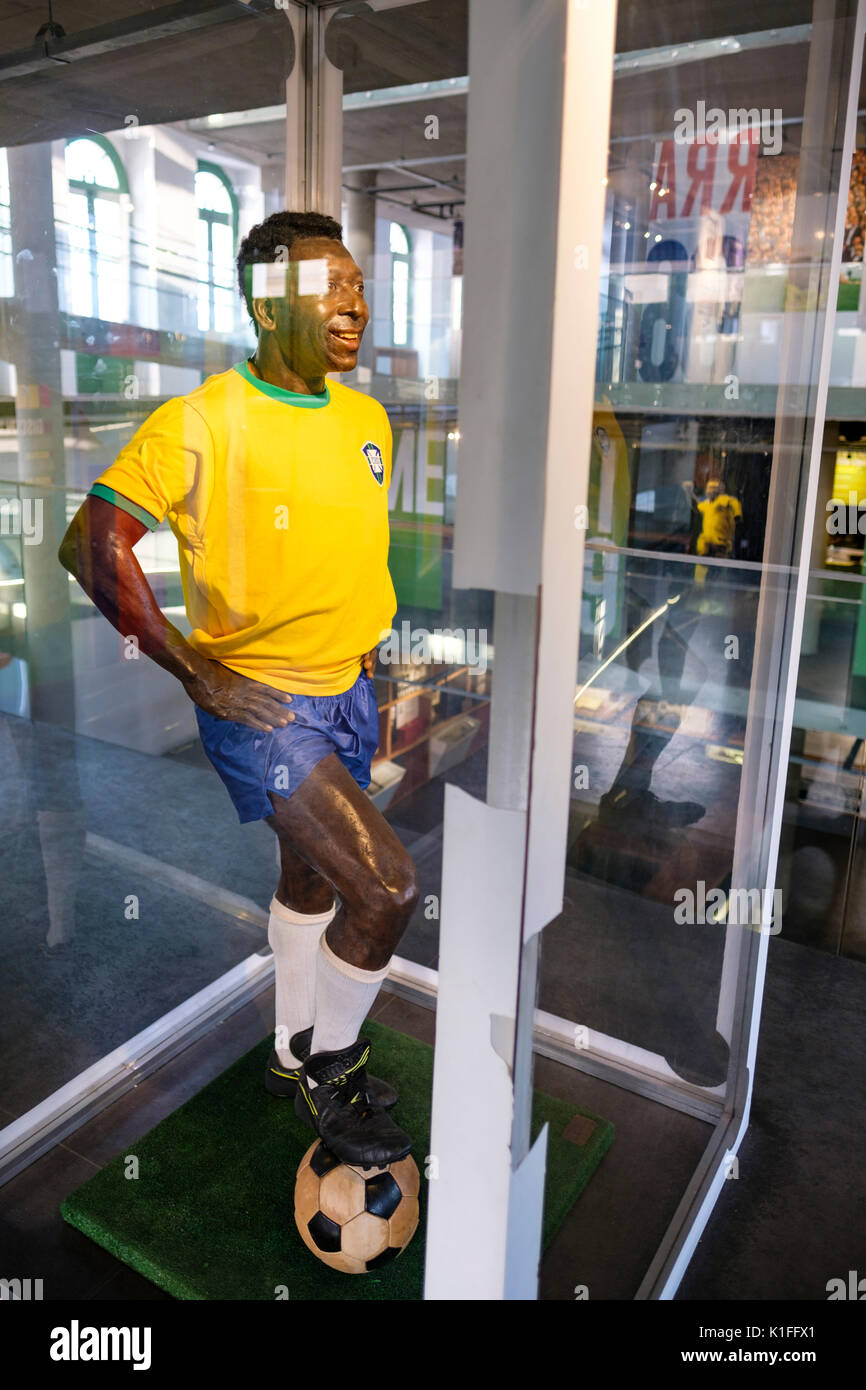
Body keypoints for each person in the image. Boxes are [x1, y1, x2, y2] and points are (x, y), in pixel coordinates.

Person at [59, 210, 418, 1169]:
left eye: (357, 284)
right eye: (331, 288)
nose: (357, 304)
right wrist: (195, 670)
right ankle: (335, 1079)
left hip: (347, 690)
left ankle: (290, 1049)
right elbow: (91, 543)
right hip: (266, 710)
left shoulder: (365, 418)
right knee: (384, 890)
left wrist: (362, 660)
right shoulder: (206, 419)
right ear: (268, 305)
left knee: (312, 879)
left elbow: (341, 555)